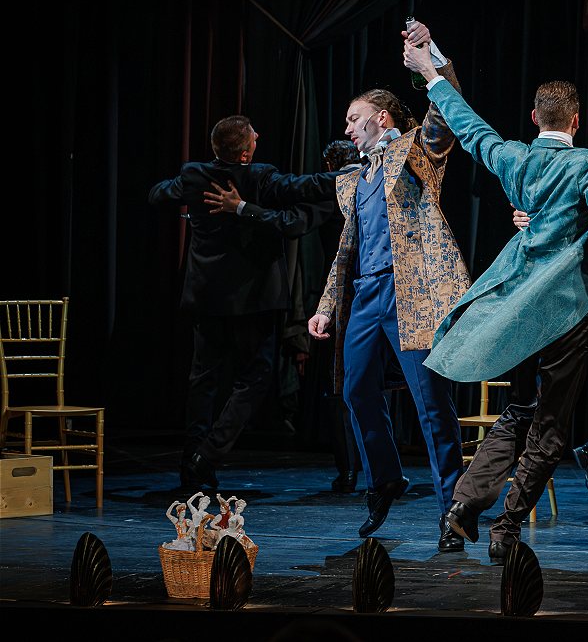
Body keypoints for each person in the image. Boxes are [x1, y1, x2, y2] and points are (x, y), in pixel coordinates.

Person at [402, 30, 588, 563]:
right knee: (549, 427)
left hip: (518, 312)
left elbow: (468, 127)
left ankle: (462, 507)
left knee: (518, 411)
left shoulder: (515, 158)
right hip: (564, 312)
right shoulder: (587, 165)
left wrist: (430, 74)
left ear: (535, 118)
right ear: (576, 121)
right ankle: (507, 526)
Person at [306, 52, 470, 548]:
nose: (347, 129)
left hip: (410, 293)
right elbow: (346, 249)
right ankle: (385, 479)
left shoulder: (415, 153)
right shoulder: (354, 179)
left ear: (381, 117)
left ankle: (453, 511)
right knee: (355, 390)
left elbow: (445, 119)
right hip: (365, 295)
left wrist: (432, 63)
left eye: (354, 119)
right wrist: (326, 305)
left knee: (430, 402)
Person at [149, 116, 338, 492]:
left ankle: (192, 463)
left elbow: (157, 194)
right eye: (253, 136)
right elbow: (307, 185)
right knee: (254, 378)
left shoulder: (194, 175)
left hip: (208, 298)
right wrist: (352, 174)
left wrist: (190, 205)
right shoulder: (259, 178)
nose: (259, 135)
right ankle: (208, 454)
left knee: (203, 381)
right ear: (245, 153)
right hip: (253, 300)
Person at [205, 139, 364, 492]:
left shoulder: (335, 192)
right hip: (382, 290)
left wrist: (240, 207)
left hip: (344, 296)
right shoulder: (374, 185)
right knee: (377, 383)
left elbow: (289, 222)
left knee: (338, 385)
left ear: (329, 166)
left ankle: (350, 471)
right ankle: (380, 470)